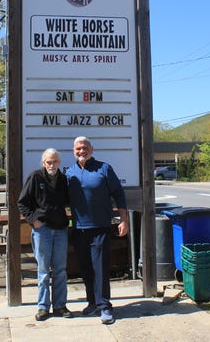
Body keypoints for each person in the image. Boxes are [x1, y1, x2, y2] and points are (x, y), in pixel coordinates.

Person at [66, 136, 129, 325]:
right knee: (85, 269)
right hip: (78, 229)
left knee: (100, 268)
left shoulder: (104, 168)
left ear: (91, 149)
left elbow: (118, 193)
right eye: (78, 149)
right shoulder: (69, 172)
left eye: (84, 147)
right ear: (73, 151)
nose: (81, 151)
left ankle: (105, 306)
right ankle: (92, 302)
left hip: (101, 227)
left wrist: (124, 219)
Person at [18, 148, 72, 321]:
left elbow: (70, 201)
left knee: (61, 270)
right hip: (42, 231)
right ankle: (43, 307)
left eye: (55, 161)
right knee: (42, 271)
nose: (52, 165)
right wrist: (33, 220)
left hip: (61, 229)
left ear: (59, 163)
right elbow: (22, 203)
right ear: (43, 163)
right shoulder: (35, 177)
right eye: (48, 162)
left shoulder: (63, 179)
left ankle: (60, 305)